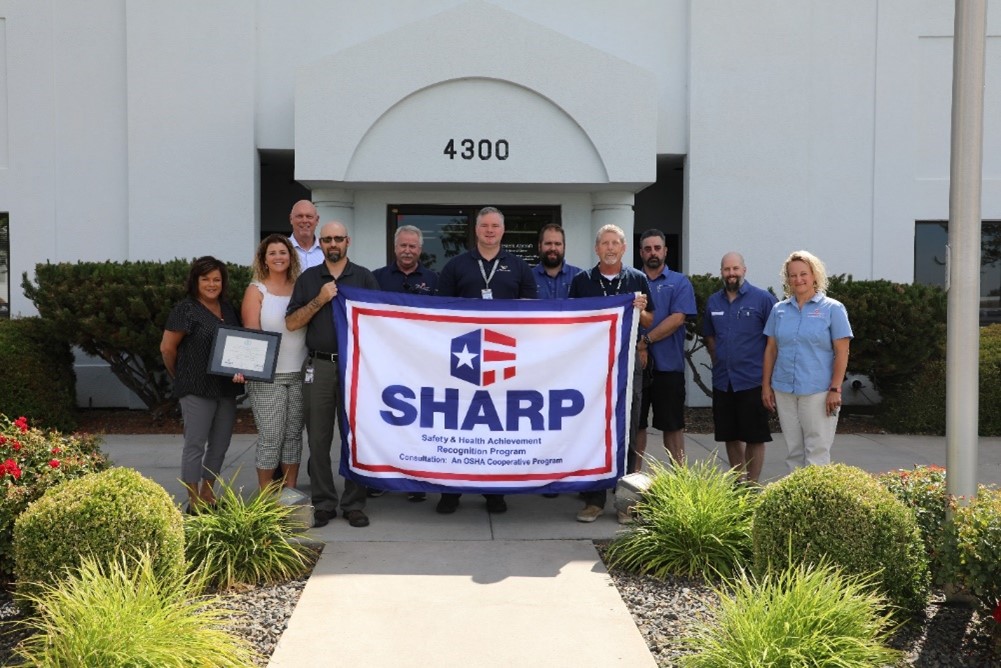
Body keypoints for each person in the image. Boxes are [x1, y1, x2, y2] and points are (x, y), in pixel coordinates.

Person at [435, 206, 537, 515]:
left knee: (496, 426)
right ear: (476, 230)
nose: (489, 230)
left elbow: (532, 313)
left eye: (495, 226)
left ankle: (494, 491)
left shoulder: (520, 267)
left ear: (503, 231)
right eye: (484, 226)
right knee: (457, 426)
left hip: (503, 358)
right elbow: (440, 312)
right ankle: (450, 491)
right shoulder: (455, 266)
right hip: (463, 357)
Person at [286, 221, 380, 528]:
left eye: (338, 238)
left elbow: (381, 322)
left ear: (348, 241)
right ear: (321, 244)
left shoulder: (364, 277)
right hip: (320, 366)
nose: (333, 243)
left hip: (356, 366)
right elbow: (292, 322)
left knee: (356, 436)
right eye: (327, 239)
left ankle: (354, 502)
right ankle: (324, 501)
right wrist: (320, 299)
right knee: (319, 436)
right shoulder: (310, 279)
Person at [568, 224, 652, 523]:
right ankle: (594, 501)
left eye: (616, 242)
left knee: (628, 432)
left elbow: (649, 319)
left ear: (624, 248)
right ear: (597, 248)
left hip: (627, 368)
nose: (611, 247)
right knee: (593, 432)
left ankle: (626, 504)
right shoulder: (582, 281)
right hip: (593, 370)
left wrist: (641, 310)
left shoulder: (637, 278)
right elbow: (572, 320)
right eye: (605, 243)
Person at [160, 256, 244, 512]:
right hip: (196, 389)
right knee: (195, 444)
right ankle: (193, 500)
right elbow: (167, 349)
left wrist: (241, 369)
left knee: (220, 444)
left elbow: (238, 346)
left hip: (225, 389)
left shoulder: (229, 309)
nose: (211, 284)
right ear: (195, 281)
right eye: (205, 279)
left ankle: (208, 493)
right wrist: (181, 376)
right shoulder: (185, 310)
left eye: (216, 279)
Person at [762, 250, 853, 472]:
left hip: (818, 391)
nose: (798, 279)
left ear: (814, 276)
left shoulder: (833, 309)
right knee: (793, 451)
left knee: (817, 451)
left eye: (803, 274)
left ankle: (814, 503)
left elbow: (842, 352)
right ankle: (795, 502)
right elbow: (771, 349)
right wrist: (766, 386)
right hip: (784, 389)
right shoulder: (779, 310)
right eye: (792, 275)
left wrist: (835, 388)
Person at [372, 224, 439, 501]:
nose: (408, 250)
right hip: (385, 365)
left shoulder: (435, 280)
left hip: (422, 366)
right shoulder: (375, 278)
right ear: (395, 247)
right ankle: (379, 478)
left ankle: (417, 481)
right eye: (403, 245)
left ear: (420, 250)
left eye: (413, 246)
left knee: (420, 423)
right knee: (386, 421)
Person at [703, 252, 777, 483]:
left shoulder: (763, 300)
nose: (731, 274)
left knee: (755, 437)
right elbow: (709, 335)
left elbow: (774, 342)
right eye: (727, 269)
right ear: (721, 272)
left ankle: (752, 486)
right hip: (723, 380)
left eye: (735, 269)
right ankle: (738, 482)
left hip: (752, 380)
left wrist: (769, 382)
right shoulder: (714, 301)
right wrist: (717, 359)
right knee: (730, 434)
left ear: (744, 270)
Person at [242, 235, 308, 491]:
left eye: (283, 252)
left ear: (291, 257)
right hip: (268, 377)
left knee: (292, 438)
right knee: (271, 437)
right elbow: (251, 336)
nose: (279, 257)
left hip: (300, 374)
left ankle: (289, 493)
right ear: (264, 259)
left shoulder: (300, 288)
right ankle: (266, 498)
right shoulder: (256, 290)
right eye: (273, 253)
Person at [635, 229, 697, 466]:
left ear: (665, 251)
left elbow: (677, 319)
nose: (653, 252)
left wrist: (645, 342)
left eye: (657, 248)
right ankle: (632, 484)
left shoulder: (679, 282)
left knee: (673, 427)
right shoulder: (632, 280)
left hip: (669, 366)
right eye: (648, 248)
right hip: (637, 369)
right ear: (641, 252)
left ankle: (679, 484)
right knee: (636, 426)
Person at [532, 223, 582, 299]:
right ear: (539, 246)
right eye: (548, 243)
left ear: (564, 247)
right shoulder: (528, 277)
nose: (553, 248)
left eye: (557, 244)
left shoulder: (580, 277)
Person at [288, 200, 323, 269]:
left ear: (317, 220)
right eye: (299, 216)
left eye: (309, 216)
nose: (304, 220)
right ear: (291, 219)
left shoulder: (326, 250)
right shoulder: (282, 249)